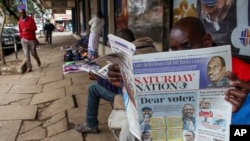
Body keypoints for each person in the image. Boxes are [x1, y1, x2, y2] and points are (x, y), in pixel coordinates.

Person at [109, 17, 250, 140]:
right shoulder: (171, 75)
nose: (180, 55)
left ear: (206, 41)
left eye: (188, 46)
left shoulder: (241, 77)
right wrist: (126, 86)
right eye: (174, 50)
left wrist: (236, 116)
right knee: (128, 132)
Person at [74, 28, 136, 134]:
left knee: (93, 88)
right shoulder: (137, 53)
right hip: (129, 94)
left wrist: (98, 78)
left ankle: (91, 125)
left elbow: (116, 87)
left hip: (128, 98)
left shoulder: (128, 61)